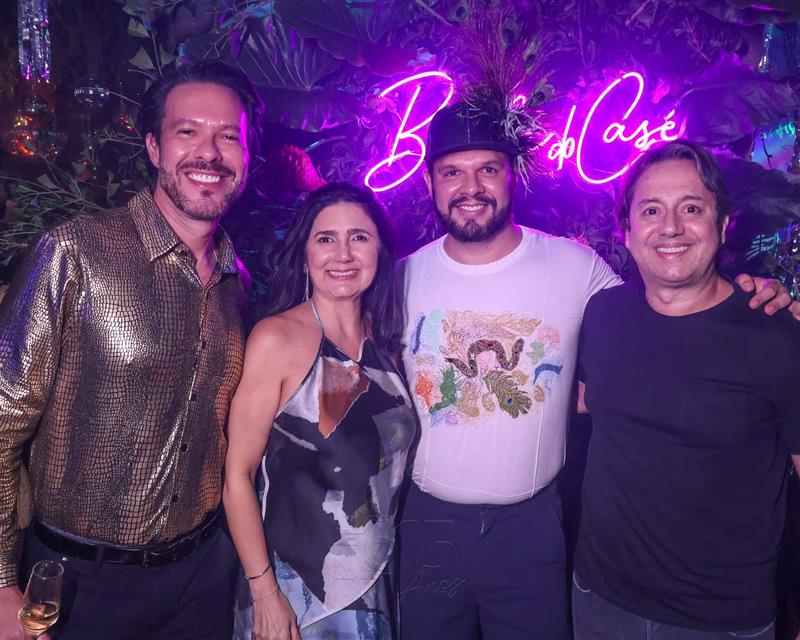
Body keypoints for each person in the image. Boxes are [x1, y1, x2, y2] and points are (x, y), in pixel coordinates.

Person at [397, 96, 799, 640]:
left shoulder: (576, 267)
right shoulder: (398, 278)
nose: (471, 187)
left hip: (535, 525)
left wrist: (760, 295)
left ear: (513, 175)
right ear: (429, 182)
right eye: (452, 172)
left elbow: (669, 301)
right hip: (431, 522)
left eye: (488, 169)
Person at [0, 59, 262, 640]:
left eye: (228, 136)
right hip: (77, 585)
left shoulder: (238, 283)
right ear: (153, 147)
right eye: (187, 131)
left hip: (202, 579)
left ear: (246, 157)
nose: (209, 153)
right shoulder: (73, 253)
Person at [572, 140, 800, 640]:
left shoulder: (778, 337)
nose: (670, 227)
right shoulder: (603, 314)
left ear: (723, 225)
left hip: (721, 621)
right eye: (651, 210)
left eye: (691, 208)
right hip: (598, 600)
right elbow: (582, 401)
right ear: (627, 230)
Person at [224, 183, 417, 640]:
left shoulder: (384, 339)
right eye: (326, 238)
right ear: (305, 253)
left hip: (375, 581)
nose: (343, 254)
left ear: (379, 251)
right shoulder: (277, 339)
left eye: (359, 237)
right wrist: (264, 594)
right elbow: (236, 477)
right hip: (295, 594)